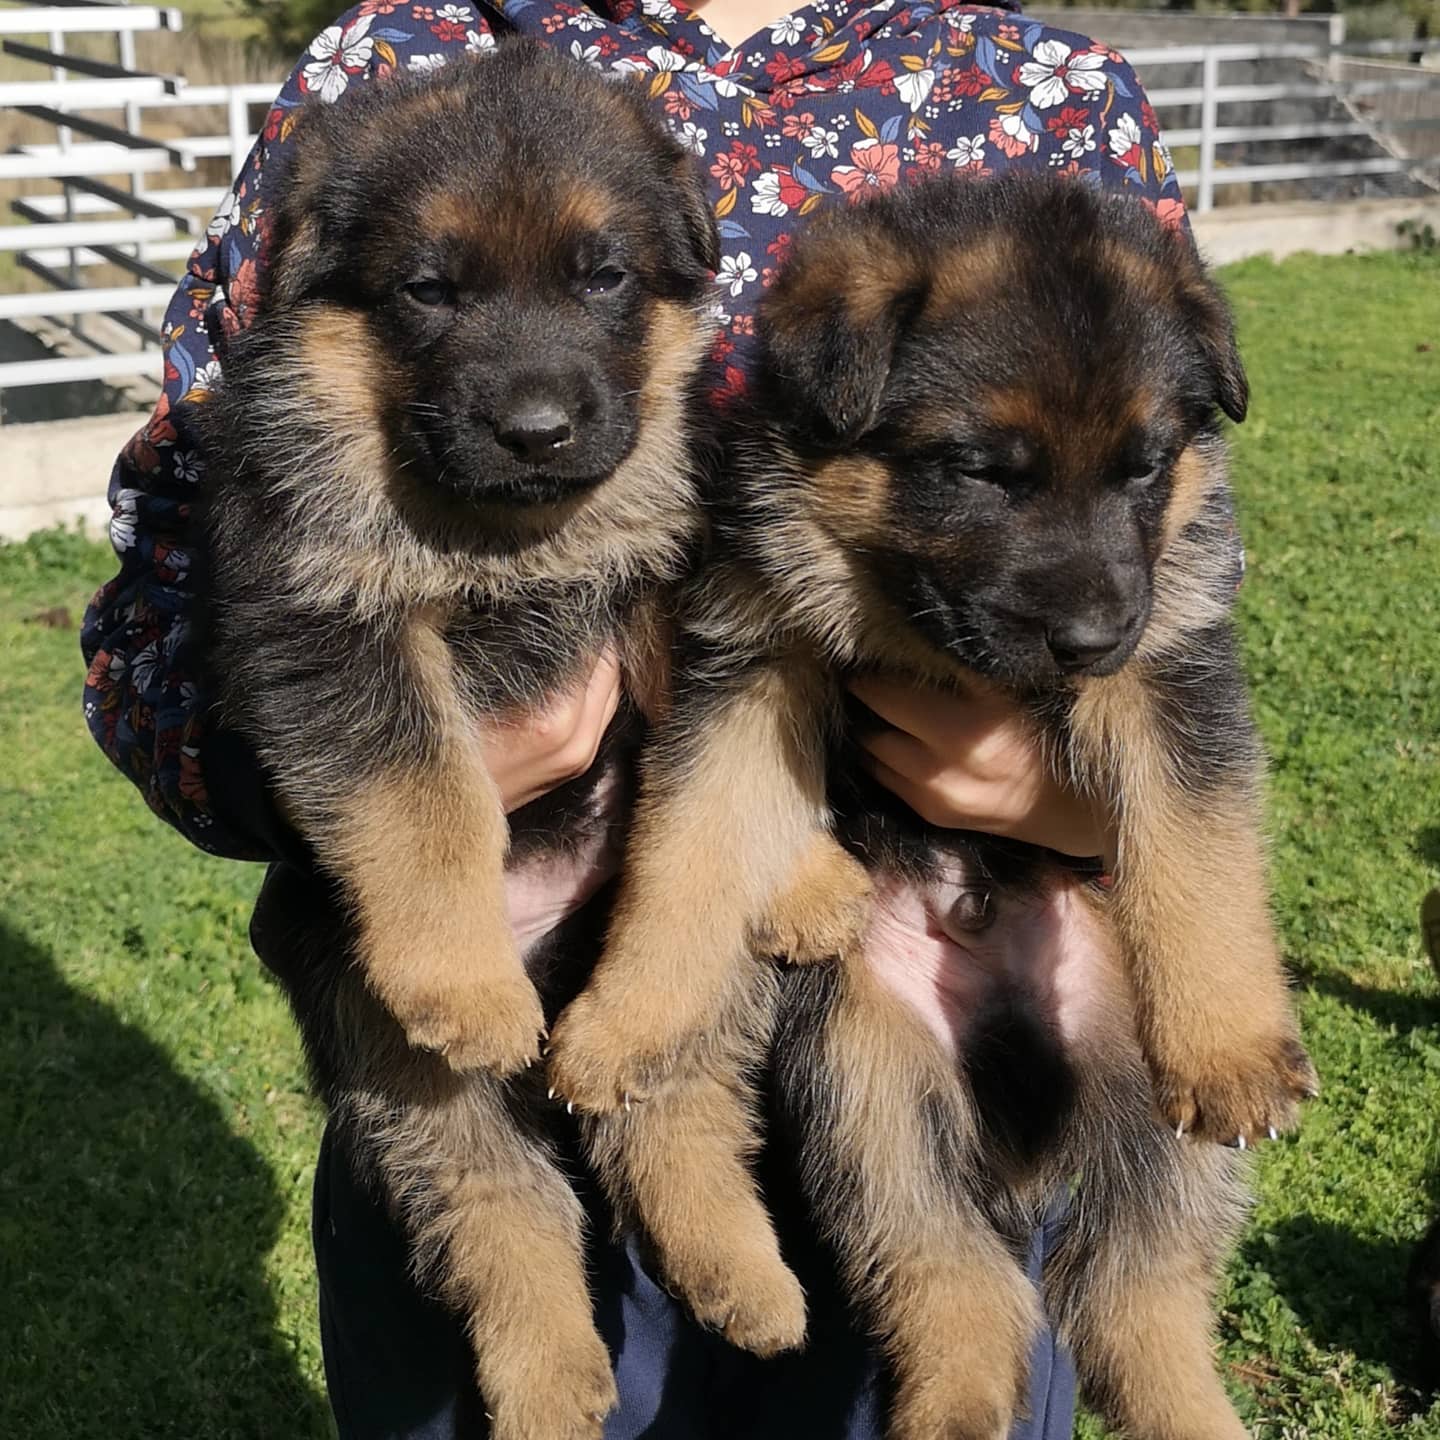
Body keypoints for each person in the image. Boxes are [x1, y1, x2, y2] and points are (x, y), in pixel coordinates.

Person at [81, 0, 1192, 1433]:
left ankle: (712, 1187)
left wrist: (1073, 801)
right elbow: (165, 606)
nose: (541, 393)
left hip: (915, 1072)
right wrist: (377, 797)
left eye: (606, 278)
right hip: (452, 989)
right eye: (433, 292)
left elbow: (1140, 525)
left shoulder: (1030, 90)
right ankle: (524, 1304)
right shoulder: (390, 58)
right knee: (454, 1153)